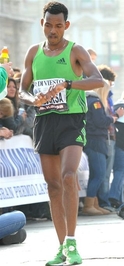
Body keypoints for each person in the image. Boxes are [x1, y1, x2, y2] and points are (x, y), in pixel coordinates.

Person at [18, 2, 103, 265]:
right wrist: (34, 101)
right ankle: (61, 246)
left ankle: (73, 242)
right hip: (44, 123)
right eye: (48, 25)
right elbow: (22, 90)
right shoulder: (33, 52)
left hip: (71, 121)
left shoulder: (75, 50)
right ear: (41, 23)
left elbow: (98, 79)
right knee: (53, 186)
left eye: (58, 25)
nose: (52, 30)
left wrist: (67, 83)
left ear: (66, 25)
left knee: (68, 176)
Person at [83, 80, 124, 215]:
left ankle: (94, 204)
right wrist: (114, 117)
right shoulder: (95, 101)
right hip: (95, 140)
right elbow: (100, 121)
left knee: (96, 174)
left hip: (93, 139)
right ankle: (89, 205)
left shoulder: (89, 100)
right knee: (99, 174)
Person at [96, 64, 117, 211]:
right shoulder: (99, 99)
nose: (111, 85)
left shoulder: (107, 97)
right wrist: (114, 118)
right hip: (105, 138)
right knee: (103, 173)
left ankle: (102, 202)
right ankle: (103, 202)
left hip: (108, 137)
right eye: (110, 82)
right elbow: (103, 119)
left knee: (104, 172)